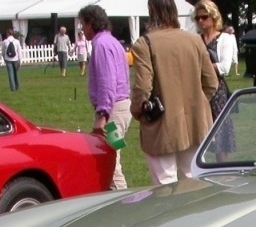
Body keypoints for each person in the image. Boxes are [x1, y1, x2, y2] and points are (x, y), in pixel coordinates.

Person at [129, 0, 218, 185]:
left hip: (162, 123)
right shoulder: (194, 40)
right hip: (195, 122)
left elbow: (143, 87)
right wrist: (197, 104)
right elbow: (211, 83)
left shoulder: (145, 44)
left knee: (165, 184)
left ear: (151, 12)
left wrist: (137, 110)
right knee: (194, 179)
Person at [79, 5, 132, 189]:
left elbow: (107, 82)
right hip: (121, 106)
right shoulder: (113, 42)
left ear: (91, 24)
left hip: (112, 111)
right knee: (114, 157)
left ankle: (124, 205)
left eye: (83, 25)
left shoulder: (101, 45)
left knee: (110, 163)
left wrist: (102, 115)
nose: (82, 29)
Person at [194, 1, 236, 161]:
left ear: (213, 17)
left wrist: (203, 67)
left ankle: (223, 171)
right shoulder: (195, 40)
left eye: (204, 17)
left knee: (220, 133)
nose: (200, 21)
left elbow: (225, 67)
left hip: (217, 91)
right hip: (198, 89)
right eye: (197, 18)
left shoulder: (225, 38)